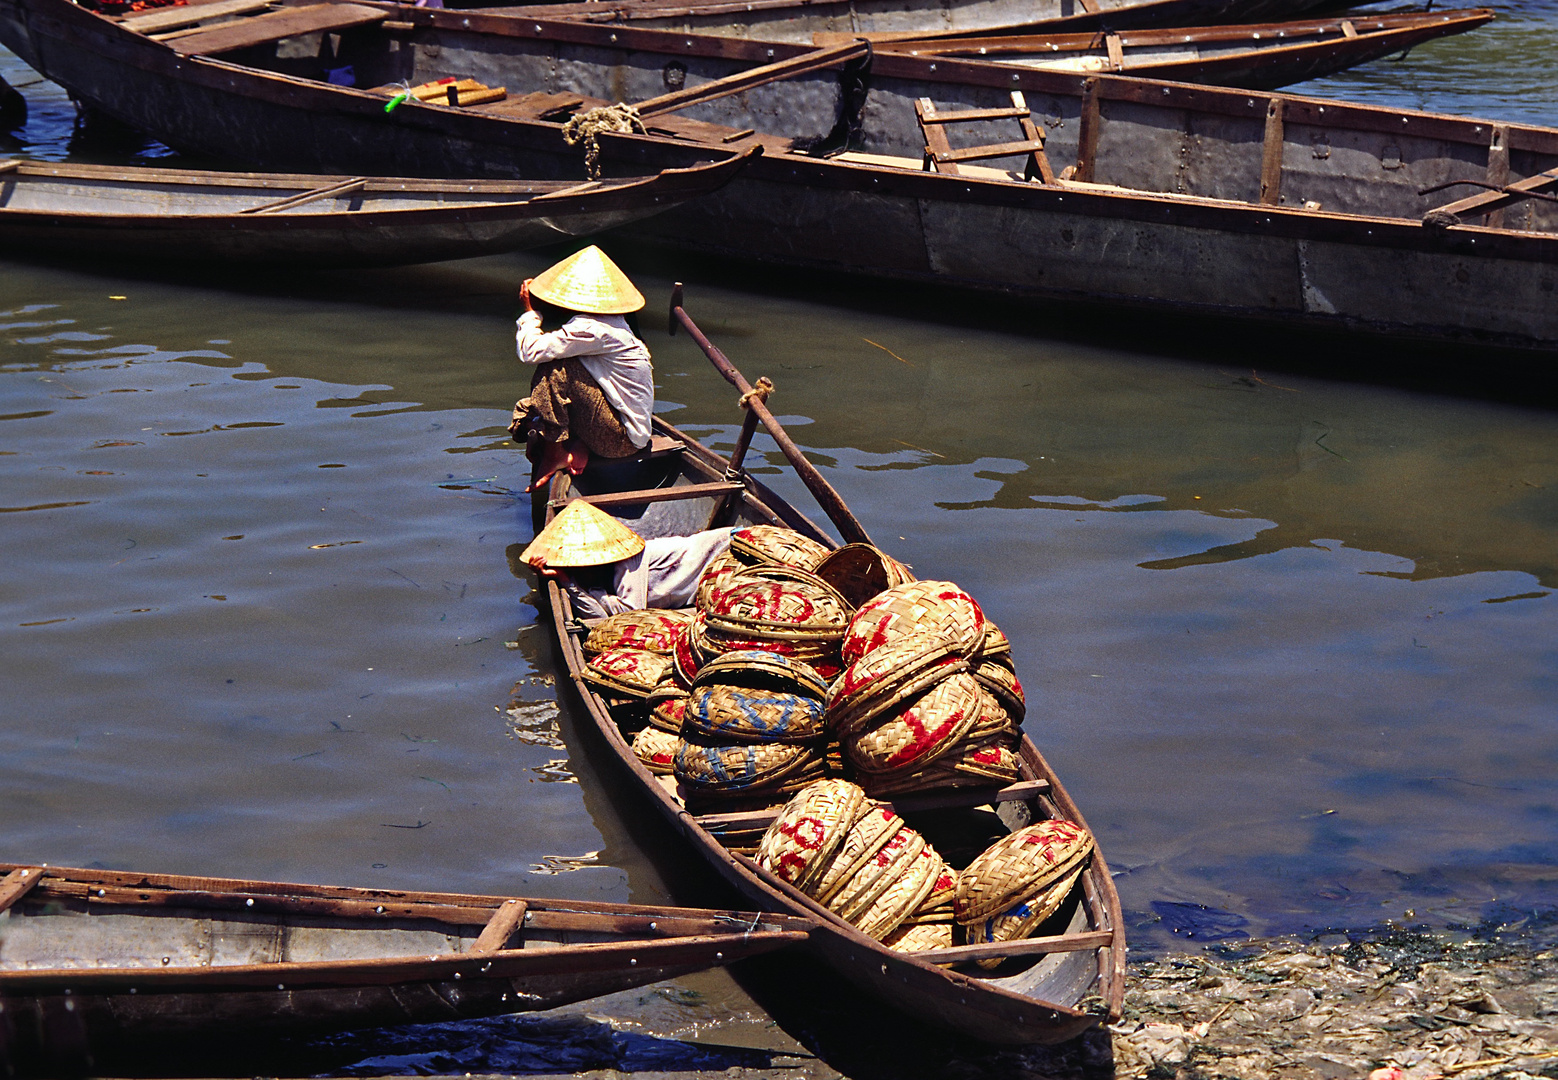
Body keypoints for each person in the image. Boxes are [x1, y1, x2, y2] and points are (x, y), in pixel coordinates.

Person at [508, 246, 655, 492]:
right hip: (619, 428)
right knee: (529, 407)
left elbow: (531, 351)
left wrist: (530, 313)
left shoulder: (594, 328)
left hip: (621, 441)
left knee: (554, 368)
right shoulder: (614, 323)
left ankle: (556, 452)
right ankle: (577, 444)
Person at [521, 500, 733, 619]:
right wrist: (566, 581)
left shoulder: (628, 563)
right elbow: (600, 618)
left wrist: (598, 595)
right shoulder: (597, 576)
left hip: (724, 549)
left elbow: (628, 616)